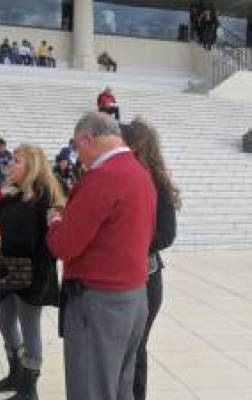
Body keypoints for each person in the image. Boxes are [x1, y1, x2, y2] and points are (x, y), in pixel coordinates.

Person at [46, 112, 156, 400]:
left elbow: (65, 246)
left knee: (91, 389)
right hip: (133, 297)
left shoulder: (103, 176)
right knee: (120, 387)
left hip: (98, 303)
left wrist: (56, 223)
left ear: (88, 138)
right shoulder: (139, 171)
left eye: (77, 145)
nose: (77, 154)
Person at [0, 144, 64, 400]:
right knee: (4, 321)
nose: (9, 165)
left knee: (30, 327)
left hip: (33, 273)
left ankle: (28, 388)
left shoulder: (44, 196)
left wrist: (41, 279)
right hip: (6, 269)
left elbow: (48, 243)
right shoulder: (7, 193)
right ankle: (15, 373)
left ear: (31, 167)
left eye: (16, 161)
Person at [121, 118, 179, 400]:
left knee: (136, 349)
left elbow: (167, 234)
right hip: (120, 279)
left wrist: (129, 244)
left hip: (146, 278)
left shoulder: (156, 183)